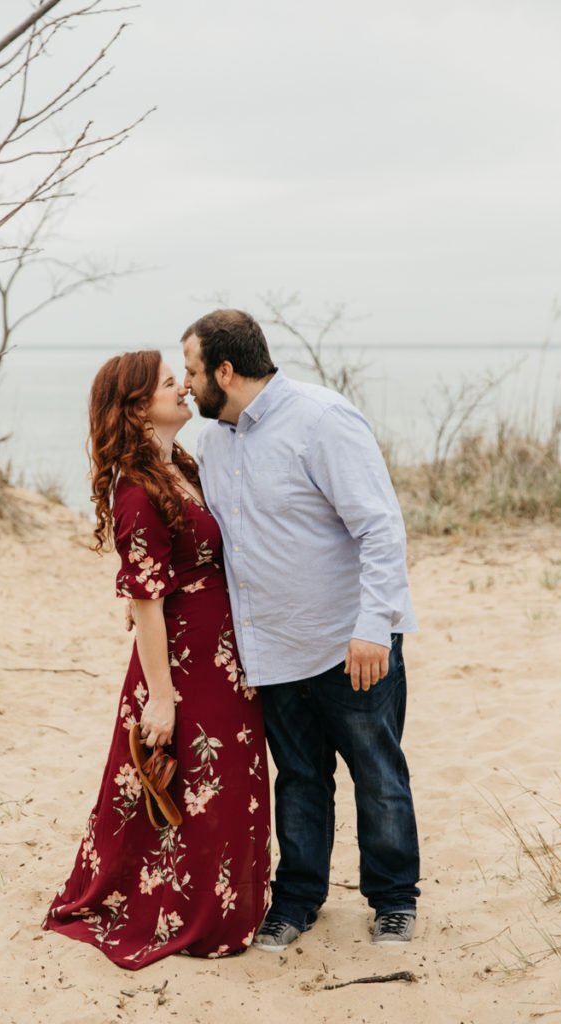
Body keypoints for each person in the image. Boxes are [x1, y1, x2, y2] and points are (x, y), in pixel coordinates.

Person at [180, 309, 420, 950]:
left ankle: (394, 900)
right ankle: (298, 900)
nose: (186, 383)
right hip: (273, 648)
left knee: (377, 775)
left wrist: (373, 626)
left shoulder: (320, 420)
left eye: (193, 370)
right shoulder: (215, 441)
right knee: (299, 779)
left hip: (351, 644)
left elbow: (379, 526)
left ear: (225, 372)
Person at [43, 350, 270, 969]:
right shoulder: (137, 488)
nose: (185, 389)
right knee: (190, 780)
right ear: (140, 406)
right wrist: (162, 697)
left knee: (228, 780)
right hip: (182, 659)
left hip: (225, 652)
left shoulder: (183, 466)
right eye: (172, 383)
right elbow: (145, 599)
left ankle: (231, 900)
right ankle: (191, 911)